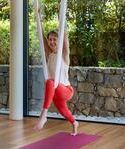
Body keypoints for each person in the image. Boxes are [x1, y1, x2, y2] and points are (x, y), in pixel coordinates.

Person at [34, 5, 79, 136]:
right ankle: (75, 123)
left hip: (65, 89)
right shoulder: (49, 54)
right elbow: (41, 37)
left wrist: (62, 15)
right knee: (65, 112)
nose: (52, 41)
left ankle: (44, 115)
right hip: (55, 91)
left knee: (49, 81)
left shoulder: (64, 54)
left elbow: (65, 40)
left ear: (58, 41)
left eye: (55, 39)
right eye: (50, 39)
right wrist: (39, 18)